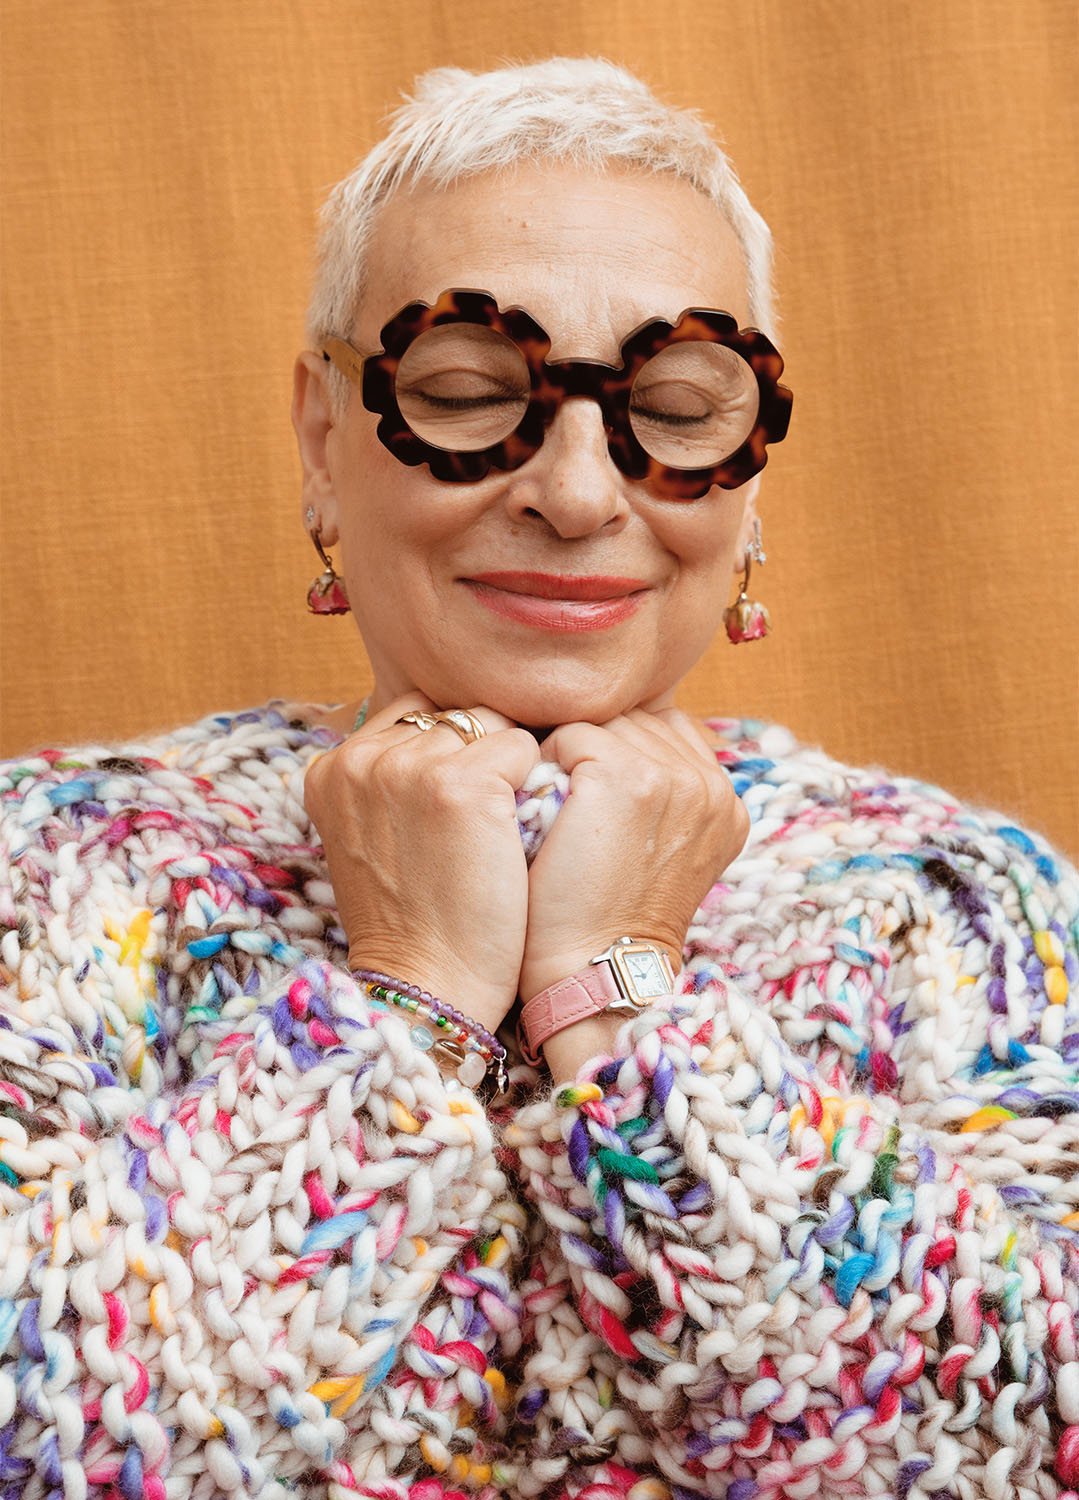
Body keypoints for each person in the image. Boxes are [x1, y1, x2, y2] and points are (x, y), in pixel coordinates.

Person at [0, 56, 1076, 1500]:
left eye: (677, 410)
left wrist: (621, 1006)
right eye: (464, 393)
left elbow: (1032, 1444)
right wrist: (407, 1002)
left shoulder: (960, 914)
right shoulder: (55, 871)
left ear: (751, 475)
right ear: (324, 438)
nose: (576, 493)